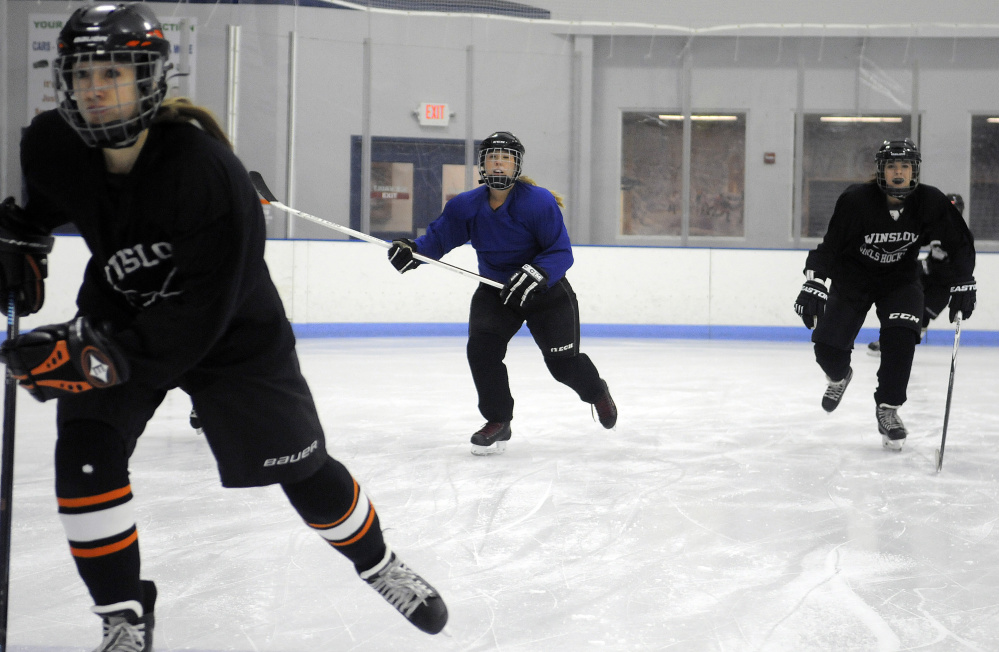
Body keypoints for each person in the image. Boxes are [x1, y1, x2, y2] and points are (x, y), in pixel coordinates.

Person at [0, 4, 447, 650]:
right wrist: (19, 238)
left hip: (232, 330)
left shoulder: (204, 172)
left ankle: (378, 564)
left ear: (148, 78)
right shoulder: (51, 145)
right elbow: (44, 206)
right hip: (120, 310)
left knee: (304, 470)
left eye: (113, 72)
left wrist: (101, 360)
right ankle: (124, 616)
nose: (95, 88)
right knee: (86, 455)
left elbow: (200, 315)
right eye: (82, 73)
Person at [386, 131, 617, 455]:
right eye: (492, 157)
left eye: (505, 158)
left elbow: (562, 253)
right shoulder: (465, 205)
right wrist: (414, 252)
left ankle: (596, 392)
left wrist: (537, 272)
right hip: (497, 293)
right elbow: (437, 240)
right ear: (482, 164)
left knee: (562, 365)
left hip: (546, 293)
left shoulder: (539, 202)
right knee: (482, 352)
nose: (499, 163)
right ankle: (499, 420)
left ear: (516, 166)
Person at [794, 139, 976, 451]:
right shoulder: (855, 200)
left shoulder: (930, 201)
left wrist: (963, 282)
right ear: (881, 170)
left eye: (905, 166)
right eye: (891, 165)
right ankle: (839, 377)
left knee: (902, 338)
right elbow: (831, 245)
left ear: (914, 170)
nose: (898, 172)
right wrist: (814, 281)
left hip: (900, 281)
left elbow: (959, 242)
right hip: (853, 280)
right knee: (827, 347)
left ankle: (888, 408)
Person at [867, 192, 964, 355]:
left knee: (923, 316)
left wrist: (927, 267)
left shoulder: (962, 236)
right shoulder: (934, 227)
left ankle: (903, 345)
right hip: (926, 278)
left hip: (943, 286)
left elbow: (957, 267)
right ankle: (889, 340)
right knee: (903, 304)